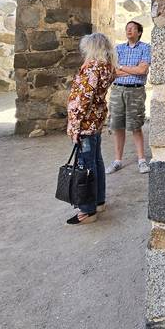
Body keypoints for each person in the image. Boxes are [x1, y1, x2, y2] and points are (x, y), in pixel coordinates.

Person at [65, 32, 117, 226]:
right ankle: (99, 200)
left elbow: (82, 99)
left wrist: (75, 126)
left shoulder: (92, 68)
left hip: (85, 123)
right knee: (96, 161)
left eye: (86, 47)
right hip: (95, 120)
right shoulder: (107, 67)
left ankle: (87, 211)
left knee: (86, 165)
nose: (84, 50)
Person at [106, 21, 151, 175]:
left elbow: (143, 70)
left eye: (132, 28)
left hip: (136, 92)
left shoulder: (145, 48)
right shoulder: (118, 49)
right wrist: (133, 70)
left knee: (136, 126)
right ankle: (117, 161)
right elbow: (113, 72)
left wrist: (122, 68)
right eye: (127, 28)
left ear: (139, 32)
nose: (128, 30)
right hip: (117, 91)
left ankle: (141, 160)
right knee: (117, 126)